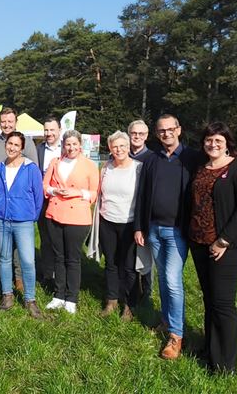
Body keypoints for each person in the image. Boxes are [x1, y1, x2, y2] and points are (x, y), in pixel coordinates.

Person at [188, 122, 237, 375]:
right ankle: (209, 350)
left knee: (223, 303)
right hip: (199, 242)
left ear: (227, 142)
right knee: (209, 299)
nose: (213, 144)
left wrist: (224, 240)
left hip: (226, 245)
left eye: (218, 140)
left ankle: (226, 365)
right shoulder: (201, 166)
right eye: (208, 140)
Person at [134, 114, 201, 359]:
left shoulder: (191, 158)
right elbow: (142, 194)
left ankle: (176, 335)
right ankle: (166, 320)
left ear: (179, 130)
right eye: (161, 130)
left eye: (170, 129)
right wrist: (139, 227)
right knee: (163, 278)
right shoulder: (152, 159)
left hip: (177, 232)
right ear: (157, 133)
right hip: (153, 229)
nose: (166, 134)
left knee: (173, 281)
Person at [44, 129, 99, 314]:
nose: (71, 147)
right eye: (68, 144)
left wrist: (77, 193)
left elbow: (94, 192)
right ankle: (58, 295)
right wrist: (54, 191)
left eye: (75, 144)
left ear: (80, 145)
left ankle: (72, 298)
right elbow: (45, 186)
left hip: (78, 217)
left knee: (73, 258)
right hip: (55, 213)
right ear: (63, 145)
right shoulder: (55, 162)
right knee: (58, 257)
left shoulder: (89, 165)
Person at [0, 131, 43, 318]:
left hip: (23, 221)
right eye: (9, 143)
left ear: (22, 148)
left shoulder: (31, 169)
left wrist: (30, 216)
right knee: (4, 258)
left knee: (28, 261)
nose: (12, 147)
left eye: (16, 145)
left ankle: (30, 300)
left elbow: (38, 197)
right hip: (1, 220)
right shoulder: (0, 168)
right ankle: (7, 296)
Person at [0, 107, 39, 291]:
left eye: (10, 121)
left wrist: (33, 211)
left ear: (16, 122)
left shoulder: (26, 142)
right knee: (1, 245)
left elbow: (34, 174)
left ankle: (18, 278)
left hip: (20, 205)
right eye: (3, 121)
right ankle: (1, 277)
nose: (7, 124)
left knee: (20, 247)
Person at [97, 131, 143, 320]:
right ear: (110, 148)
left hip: (130, 224)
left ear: (129, 147)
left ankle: (129, 305)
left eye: (123, 146)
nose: (119, 149)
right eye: (115, 146)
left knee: (129, 266)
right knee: (111, 263)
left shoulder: (138, 168)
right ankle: (111, 300)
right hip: (107, 221)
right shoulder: (105, 167)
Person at [128, 119, 154, 305]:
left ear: (146, 136)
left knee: (144, 254)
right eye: (134, 133)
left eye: (141, 134)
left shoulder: (152, 158)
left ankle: (146, 292)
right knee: (128, 254)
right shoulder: (122, 154)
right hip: (124, 212)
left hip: (144, 213)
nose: (137, 137)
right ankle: (131, 288)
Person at [36, 116, 62, 290]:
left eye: (52, 130)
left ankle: (61, 275)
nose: (49, 133)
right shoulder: (38, 149)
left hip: (62, 201)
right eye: (46, 130)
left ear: (59, 130)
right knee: (45, 239)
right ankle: (47, 275)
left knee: (59, 240)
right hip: (43, 201)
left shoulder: (67, 149)